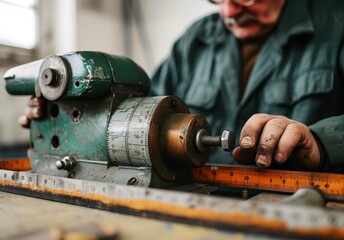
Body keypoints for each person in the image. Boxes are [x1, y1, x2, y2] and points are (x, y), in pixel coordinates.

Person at [20, 0, 344, 172]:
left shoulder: (337, 23)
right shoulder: (195, 41)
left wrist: (320, 142)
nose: (229, 12)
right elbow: (134, 117)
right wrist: (68, 117)